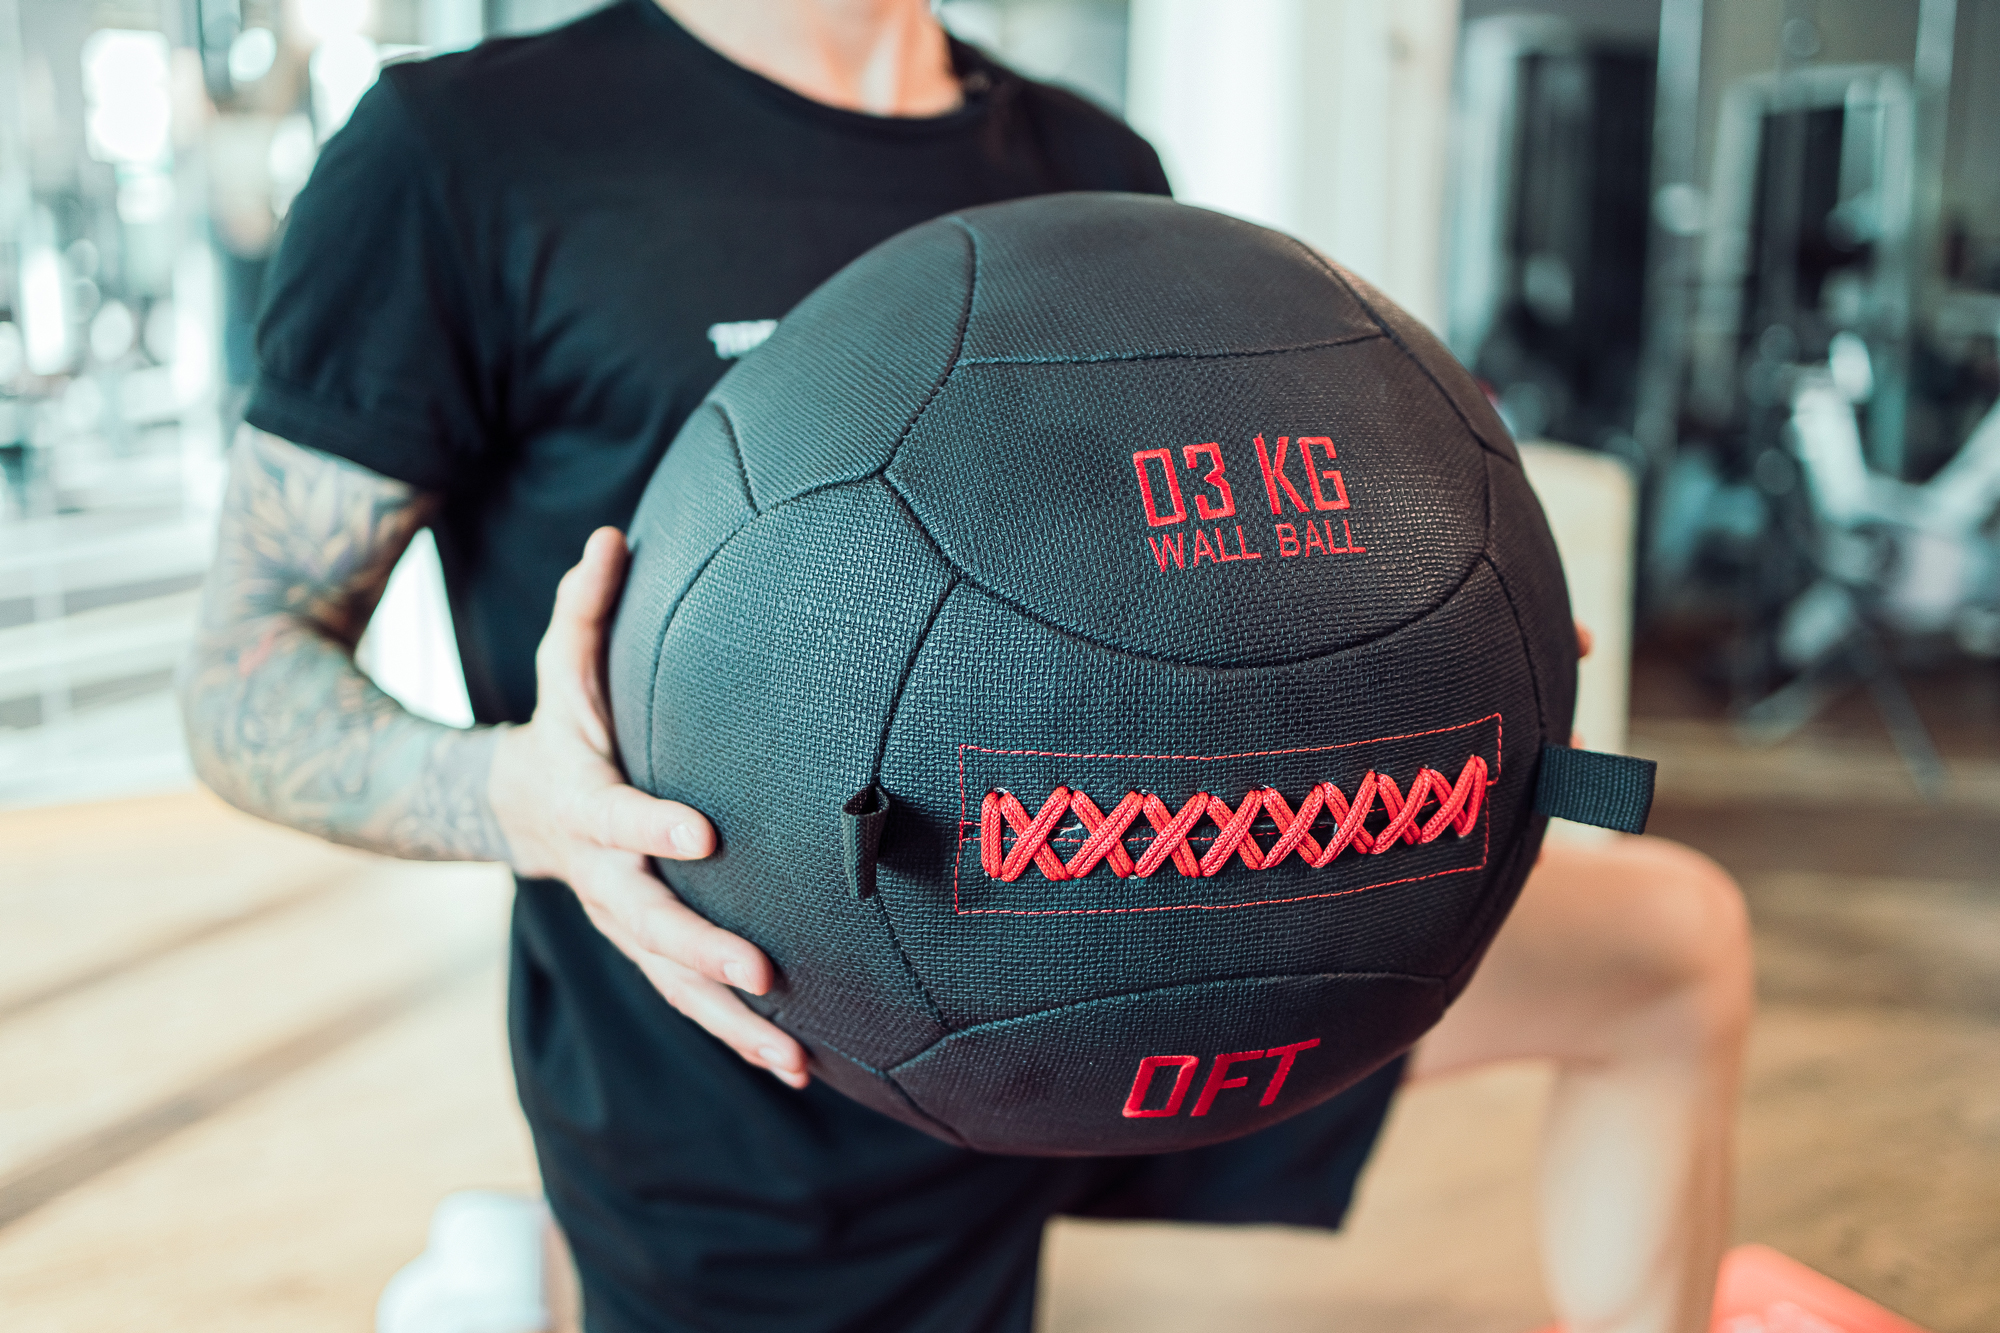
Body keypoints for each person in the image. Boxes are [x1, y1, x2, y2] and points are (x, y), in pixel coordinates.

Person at [179, 2, 1753, 1330]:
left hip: (1163, 948)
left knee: (1670, 946)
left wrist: (1435, 642)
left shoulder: (1089, 160)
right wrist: (517, 799)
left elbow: (1177, 583)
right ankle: (529, 1269)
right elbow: (243, 676)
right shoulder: (462, 156)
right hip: (761, 1085)